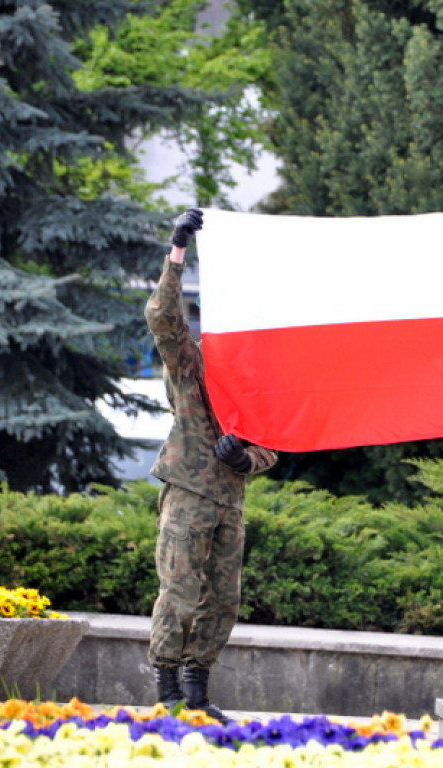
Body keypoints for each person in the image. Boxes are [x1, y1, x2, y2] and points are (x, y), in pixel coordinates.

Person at [145, 208, 279, 721]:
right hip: (188, 492)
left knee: (222, 601)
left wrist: (247, 458)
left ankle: (198, 694)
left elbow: (274, 443)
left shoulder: (256, 381)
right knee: (179, 594)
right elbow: (162, 315)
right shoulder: (190, 362)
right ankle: (167, 694)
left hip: (230, 501)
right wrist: (177, 250)